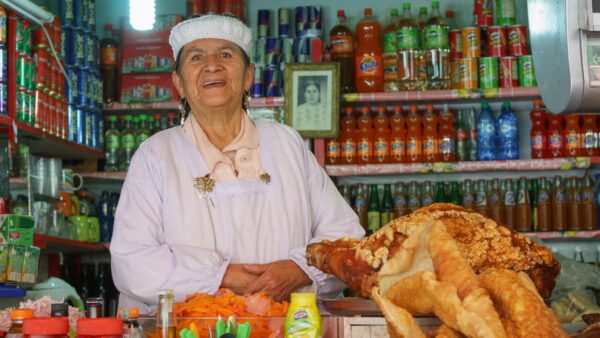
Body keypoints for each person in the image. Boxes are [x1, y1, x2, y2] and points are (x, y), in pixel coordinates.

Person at [109, 14, 364, 313]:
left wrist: (300, 269)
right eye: (196, 57)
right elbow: (132, 261)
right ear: (178, 82)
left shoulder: (287, 144)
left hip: (289, 328)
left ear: (248, 77)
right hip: (191, 331)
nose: (212, 64)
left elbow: (346, 238)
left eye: (226, 54)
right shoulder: (155, 154)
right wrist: (222, 276)